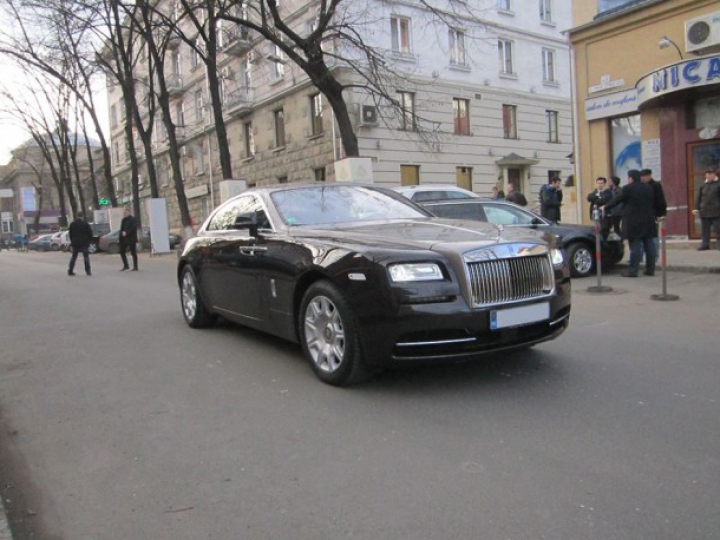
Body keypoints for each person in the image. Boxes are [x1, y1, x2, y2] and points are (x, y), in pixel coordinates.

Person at [604, 169, 656, 277]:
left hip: (634, 221)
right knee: (649, 245)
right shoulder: (648, 187)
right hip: (648, 220)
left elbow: (617, 199)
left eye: (628, 177)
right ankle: (650, 270)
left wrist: (606, 206)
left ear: (631, 178)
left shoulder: (628, 188)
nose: (628, 179)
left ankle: (633, 270)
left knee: (635, 246)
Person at [640, 169, 666, 262]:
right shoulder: (641, 186)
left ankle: (654, 257)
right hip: (642, 215)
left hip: (653, 214)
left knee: (653, 237)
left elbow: (660, 200)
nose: (642, 178)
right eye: (641, 176)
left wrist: (661, 214)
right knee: (641, 237)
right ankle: (640, 257)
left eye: (644, 176)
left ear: (649, 176)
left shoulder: (655, 185)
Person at [693, 165, 720, 251]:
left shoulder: (718, 184)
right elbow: (698, 198)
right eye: (708, 174)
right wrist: (696, 208)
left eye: (712, 174)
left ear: (715, 175)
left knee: (718, 229)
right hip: (704, 211)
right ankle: (705, 244)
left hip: (716, 211)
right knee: (705, 230)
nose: (710, 175)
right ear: (706, 175)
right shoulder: (703, 186)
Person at [119, 207, 139, 271]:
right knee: (121, 251)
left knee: (133, 253)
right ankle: (126, 265)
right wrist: (120, 236)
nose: (125, 214)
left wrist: (127, 233)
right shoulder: (123, 220)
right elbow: (121, 229)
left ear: (129, 213)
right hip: (124, 239)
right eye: (124, 213)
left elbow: (134, 228)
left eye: (126, 212)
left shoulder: (133, 219)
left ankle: (135, 266)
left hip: (131, 238)